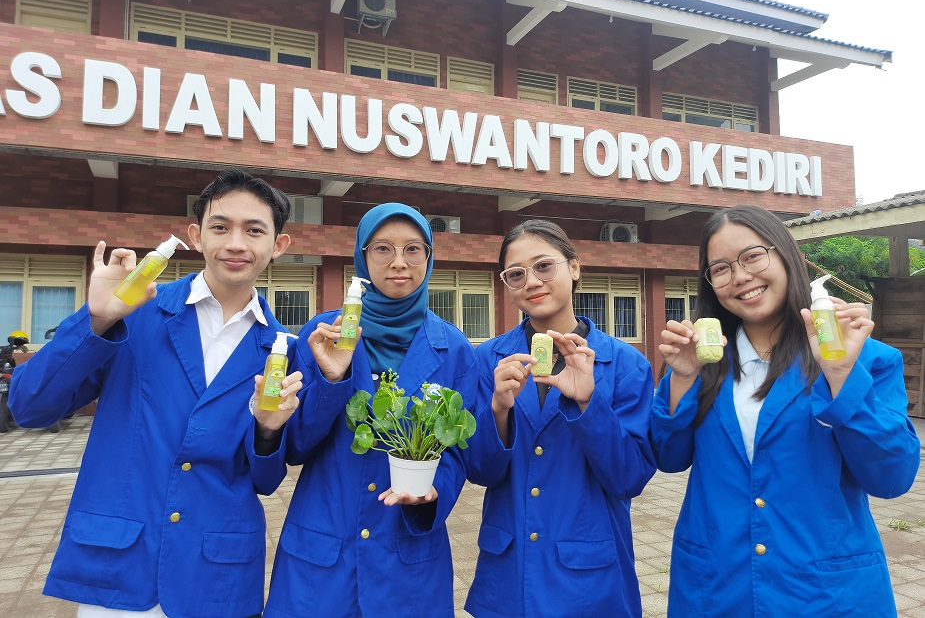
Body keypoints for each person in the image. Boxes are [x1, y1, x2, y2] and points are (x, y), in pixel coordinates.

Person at [10, 169, 304, 618]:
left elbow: (265, 481)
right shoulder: (136, 311)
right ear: (196, 235)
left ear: (278, 245)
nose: (236, 243)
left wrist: (268, 432)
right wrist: (97, 321)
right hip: (122, 564)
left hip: (217, 572)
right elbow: (29, 407)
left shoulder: (282, 349)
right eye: (220, 226)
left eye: (254, 230)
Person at [650, 204, 921, 617]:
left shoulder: (864, 357)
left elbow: (892, 477)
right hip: (719, 589)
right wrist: (683, 379)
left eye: (753, 256)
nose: (739, 276)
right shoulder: (701, 361)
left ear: (786, 256)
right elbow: (668, 458)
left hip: (825, 594)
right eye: (720, 268)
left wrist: (842, 377)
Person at [259, 202, 478, 618]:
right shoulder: (324, 335)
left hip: (406, 559)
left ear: (429, 258)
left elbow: (458, 451)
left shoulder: (454, 349)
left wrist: (433, 495)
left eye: (414, 249)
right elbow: (296, 447)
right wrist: (331, 381)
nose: (399, 262)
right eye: (383, 249)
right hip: (322, 556)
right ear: (362, 256)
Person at [464, 219, 656, 618]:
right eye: (516, 274)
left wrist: (588, 402)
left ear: (575, 268)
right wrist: (499, 408)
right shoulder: (489, 360)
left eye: (544, 266)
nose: (531, 281)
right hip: (508, 574)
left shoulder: (625, 365)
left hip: (589, 582)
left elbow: (628, 479)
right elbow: (480, 470)